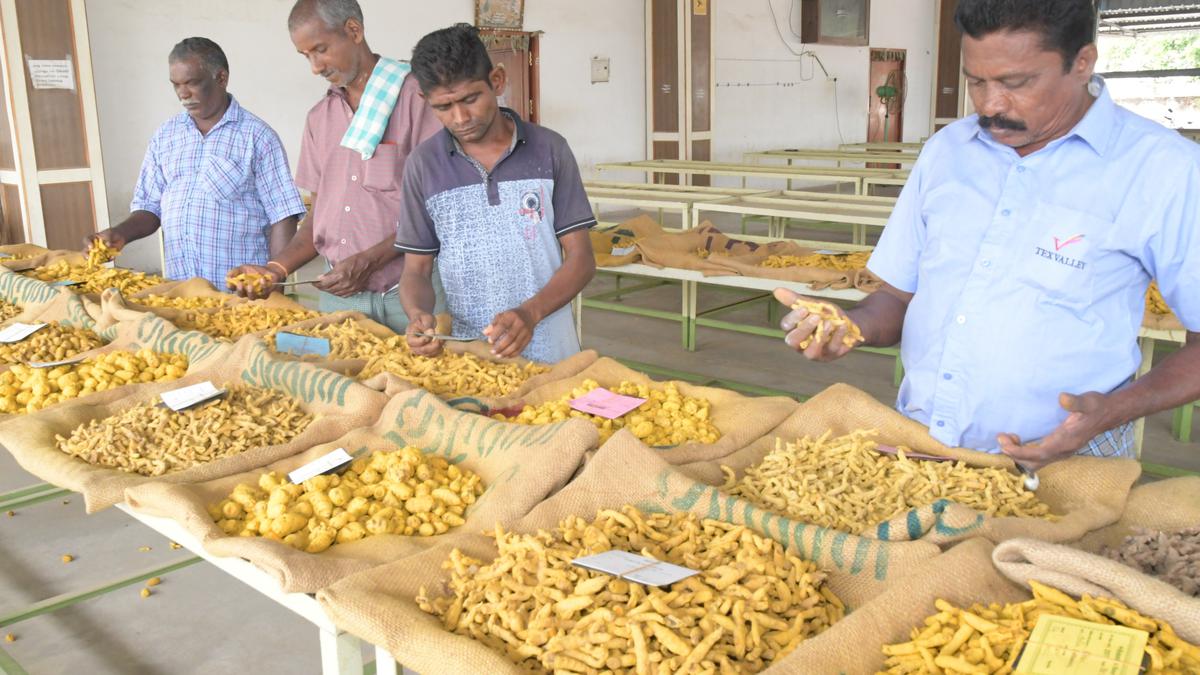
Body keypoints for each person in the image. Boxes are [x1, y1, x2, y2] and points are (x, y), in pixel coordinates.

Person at [775, 0, 1199, 470]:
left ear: (1082, 63)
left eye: (1016, 83)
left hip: (1068, 458)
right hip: (923, 443)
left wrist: (1113, 411)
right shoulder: (948, 152)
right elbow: (896, 299)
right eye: (977, 81)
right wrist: (849, 326)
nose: (990, 104)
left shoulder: (1164, 169)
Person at [228, 0, 443, 333]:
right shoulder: (320, 118)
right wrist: (275, 269)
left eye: (321, 49)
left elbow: (439, 210)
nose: (315, 66)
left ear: (353, 31)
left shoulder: (418, 99)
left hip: (412, 297)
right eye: (306, 56)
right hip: (341, 301)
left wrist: (370, 260)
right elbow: (318, 219)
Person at [395, 24, 596, 363]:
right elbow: (416, 269)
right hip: (470, 358)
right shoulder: (423, 165)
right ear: (424, 101)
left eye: (471, 99)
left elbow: (582, 259)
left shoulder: (549, 149)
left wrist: (530, 313)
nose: (461, 118)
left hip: (553, 352)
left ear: (497, 81)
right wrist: (418, 313)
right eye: (444, 107)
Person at [89, 38, 304, 288]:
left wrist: (273, 278)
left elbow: (283, 215)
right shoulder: (166, 135)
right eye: (176, 85)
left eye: (192, 83)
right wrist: (120, 234)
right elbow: (149, 207)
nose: (183, 94)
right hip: (182, 291)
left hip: (240, 294)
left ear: (221, 78)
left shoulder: (257, 137)